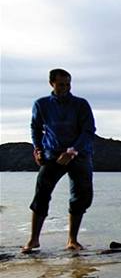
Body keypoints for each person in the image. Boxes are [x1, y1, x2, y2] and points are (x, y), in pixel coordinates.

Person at [21, 68, 96, 253]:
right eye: (61, 84)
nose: (65, 88)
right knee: (41, 194)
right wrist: (37, 149)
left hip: (79, 154)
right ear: (51, 83)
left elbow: (89, 131)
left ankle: (72, 240)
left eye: (68, 84)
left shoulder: (81, 104)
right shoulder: (41, 104)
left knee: (81, 197)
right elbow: (35, 128)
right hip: (52, 154)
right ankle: (33, 240)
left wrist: (72, 151)